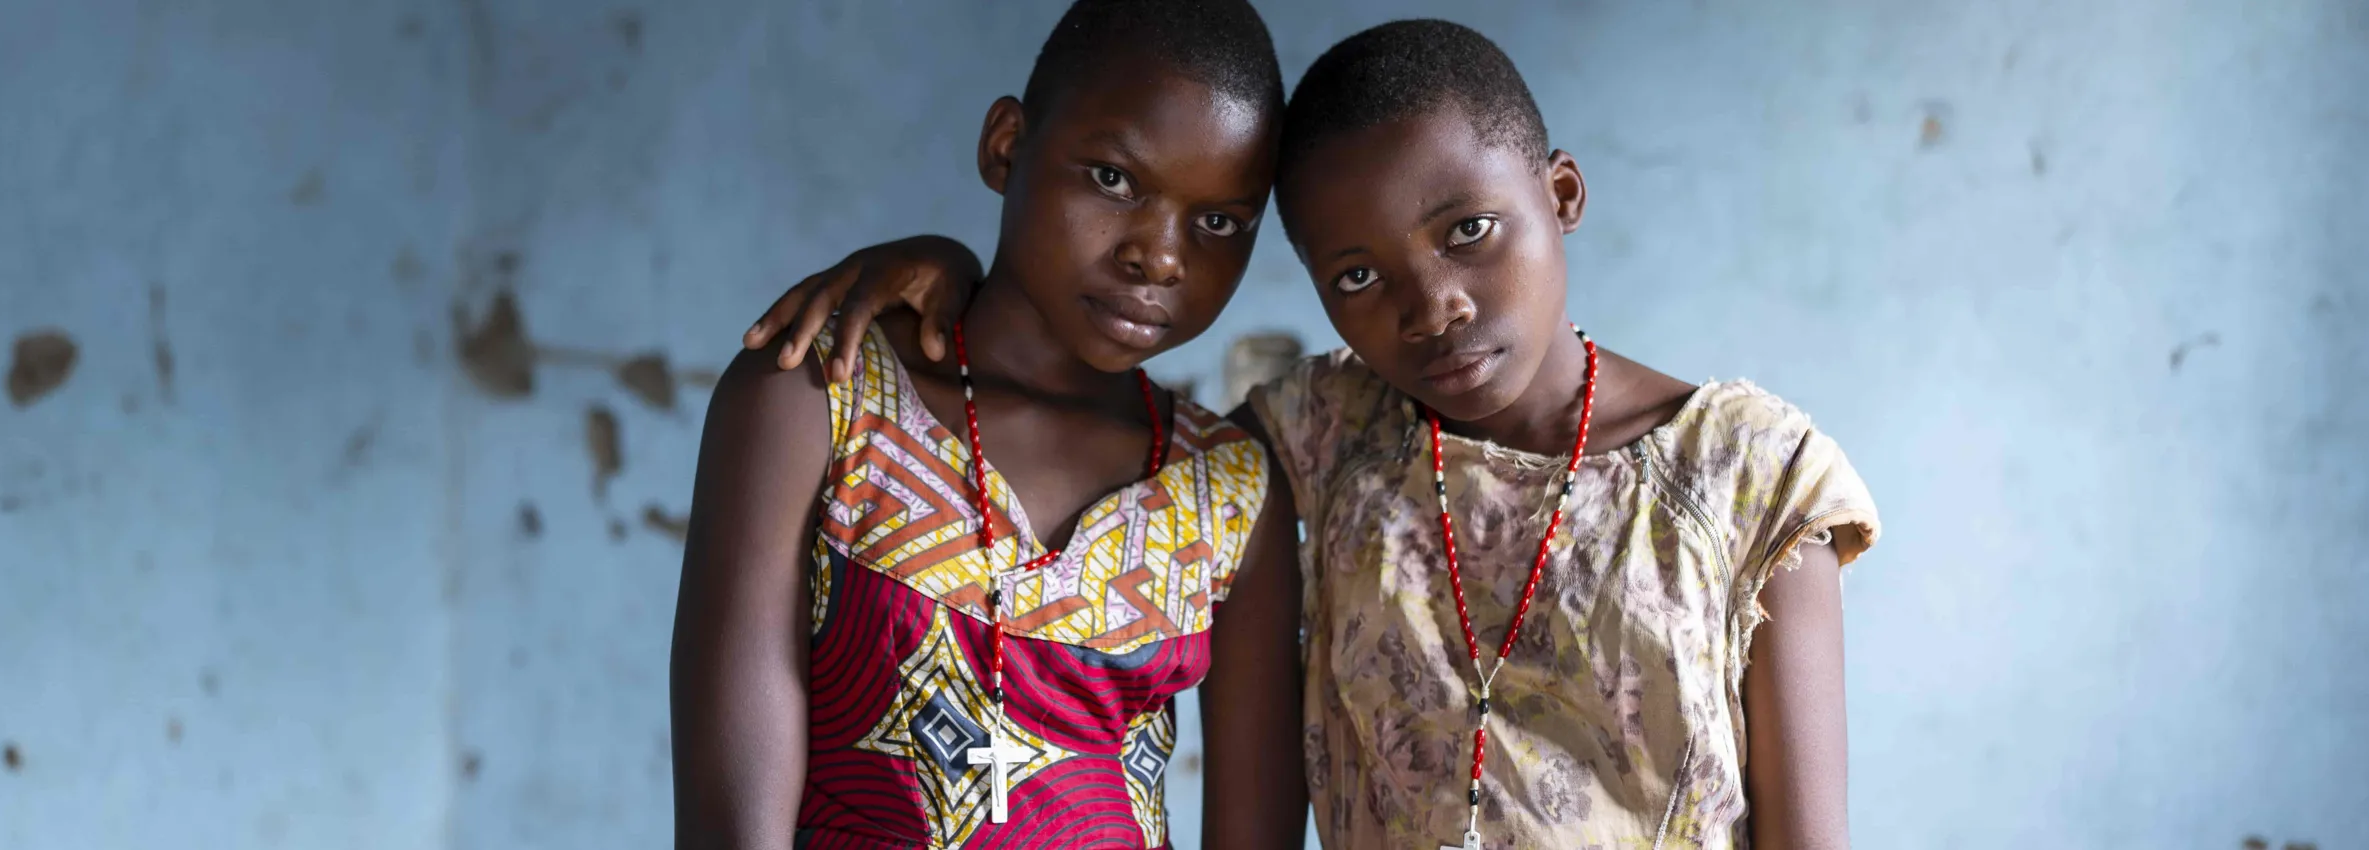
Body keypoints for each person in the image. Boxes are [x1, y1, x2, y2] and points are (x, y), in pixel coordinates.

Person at [744, 18, 1882, 850]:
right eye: (1356, 272)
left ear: (1564, 193)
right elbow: (1050, 364)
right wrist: (942, 268)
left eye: (1470, 230)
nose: (1432, 302)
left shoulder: (1751, 479)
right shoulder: (1316, 444)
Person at [669, 1, 1308, 847]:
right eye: (1114, 179)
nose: (1158, 255)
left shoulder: (1228, 492)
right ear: (1006, 146)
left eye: (1218, 222)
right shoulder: (822, 397)